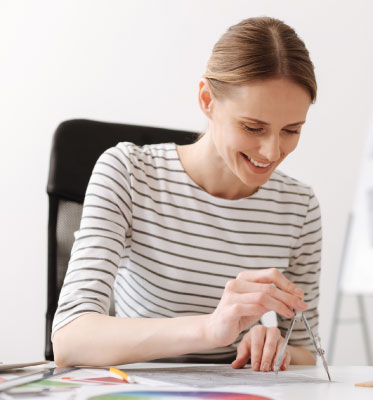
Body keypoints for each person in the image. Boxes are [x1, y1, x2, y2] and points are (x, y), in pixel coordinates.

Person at [52, 17, 322, 372]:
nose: (271, 152)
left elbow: (305, 351)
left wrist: (274, 348)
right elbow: (71, 340)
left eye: (291, 130)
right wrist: (210, 329)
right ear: (207, 99)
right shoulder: (130, 172)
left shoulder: (298, 207)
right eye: (252, 127)